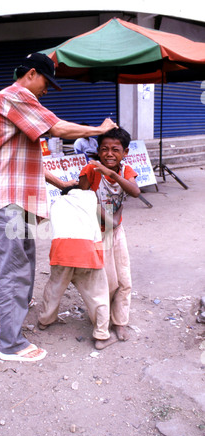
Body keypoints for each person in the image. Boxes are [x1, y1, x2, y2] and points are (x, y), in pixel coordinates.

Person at [0, 52, 117, 362]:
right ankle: (10, 345)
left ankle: (15, 318)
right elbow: (57, 128)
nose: (46, 90)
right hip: (7, 199)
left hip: (18, 198)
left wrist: (62, 185)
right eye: (46, 82)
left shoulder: (18, 110)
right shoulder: (12, 96)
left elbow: (23, 162)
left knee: (24, 262)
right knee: (13, 268)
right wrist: (98, 130)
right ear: (32, 74)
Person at [79, 127, 140, 342]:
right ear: (97, 151)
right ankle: (101, 323)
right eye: (104, 149)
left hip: (116, 230)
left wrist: (112, 174)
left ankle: (120, 322)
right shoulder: (90, 170)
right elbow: (81, 197)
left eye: (115, 149)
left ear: (125, 152)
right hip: (97, 234)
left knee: (125, 280)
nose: (109, 154)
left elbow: (135, 191)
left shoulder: (126, 171)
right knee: (107, 282)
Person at [38, 186, 115, 350]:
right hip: (87, 252)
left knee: (54, 289)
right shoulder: (91, 199)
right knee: (98, 294)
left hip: (61, 252)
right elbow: (108, 223)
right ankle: (102, 335)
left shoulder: (56, 203)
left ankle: (45, 320)